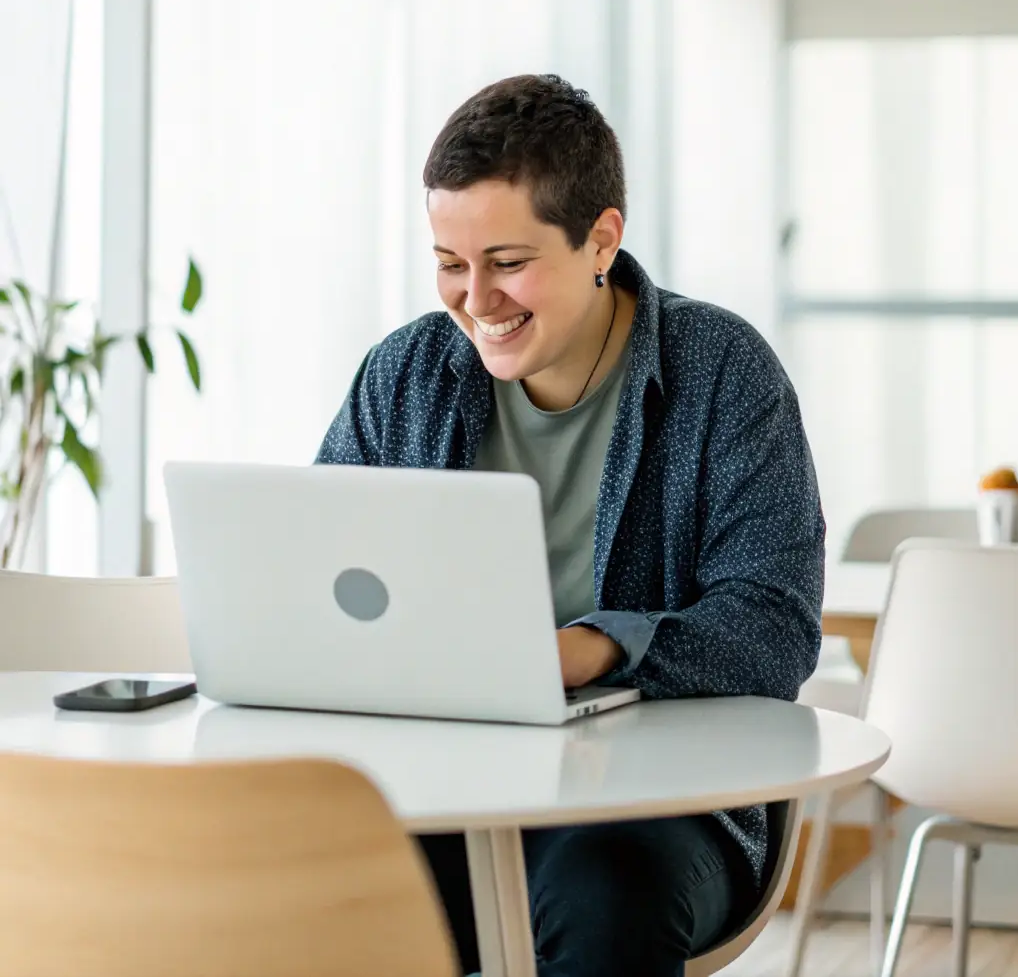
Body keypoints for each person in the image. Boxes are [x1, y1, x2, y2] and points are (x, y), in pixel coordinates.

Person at [317, 74, 825, 977]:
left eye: (508, 262)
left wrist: (591, 647)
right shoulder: (403, 377)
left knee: (601, 894)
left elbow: (774, 627)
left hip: (657, 808)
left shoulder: (724, 374)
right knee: (271, 872)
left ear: (602, 239)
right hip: (435, 789)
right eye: (449, 261)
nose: (475, 299)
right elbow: (322, 580)